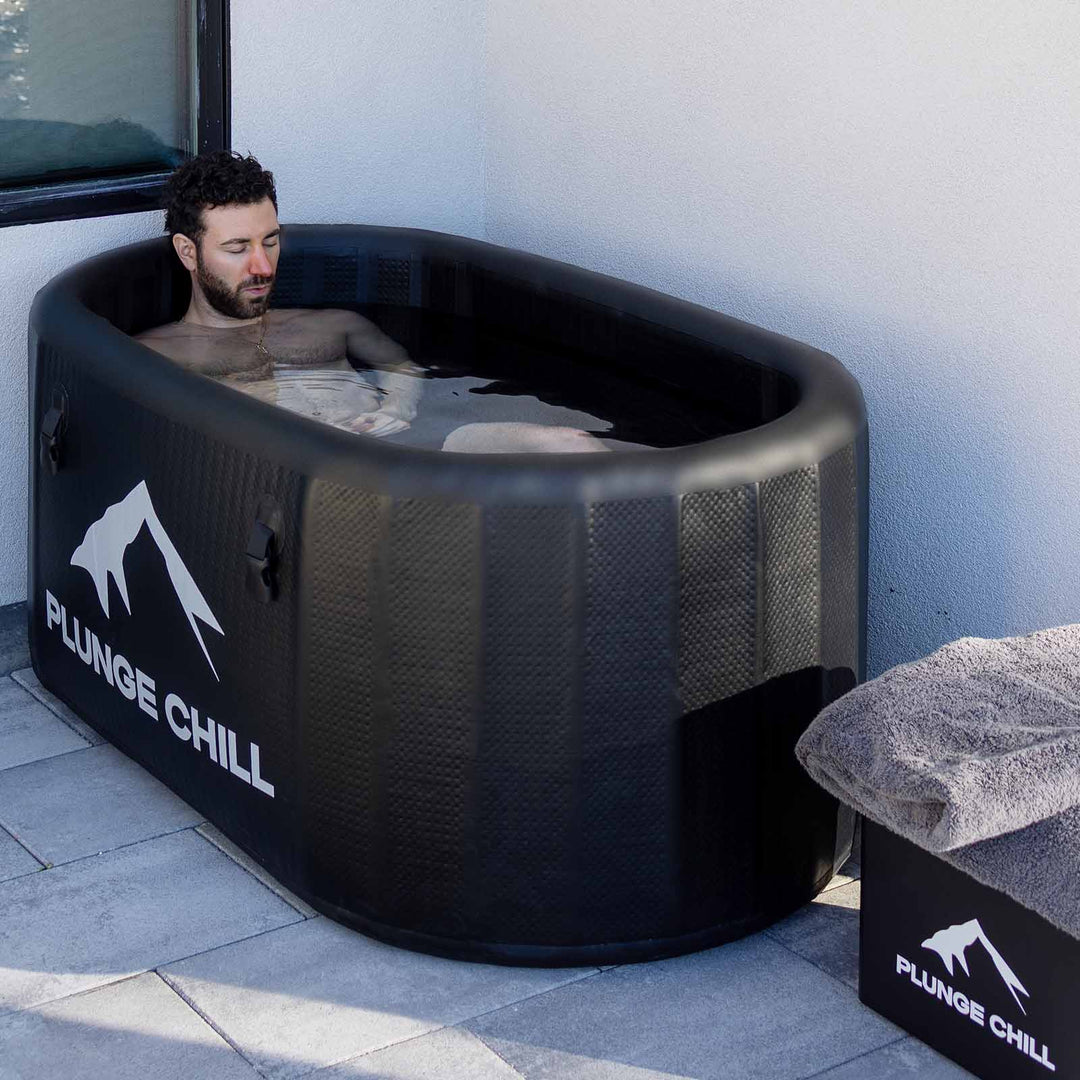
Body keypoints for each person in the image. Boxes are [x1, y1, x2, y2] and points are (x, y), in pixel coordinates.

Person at [136, 149, 609, 452]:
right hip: (305, 487)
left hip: (417, 450)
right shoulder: (156, 356)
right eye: (238, 248)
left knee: (571, 445)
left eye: (271, 241)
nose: (262, 265)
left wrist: (395, 409)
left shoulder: (333, 324)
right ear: (188, 252)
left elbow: (402, 367)